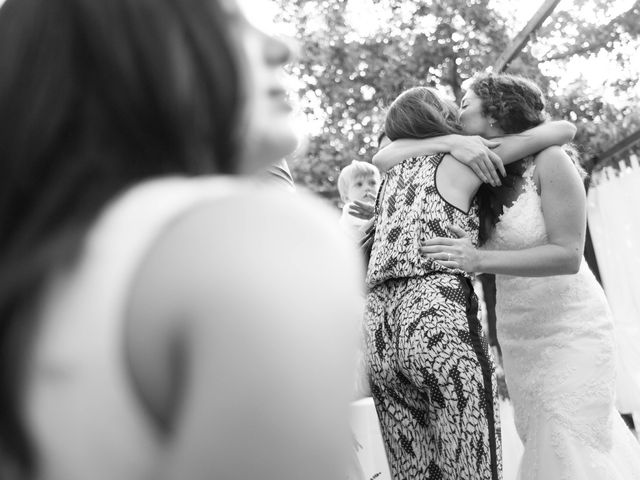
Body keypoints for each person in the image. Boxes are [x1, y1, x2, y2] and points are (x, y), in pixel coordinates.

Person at [0, 1, 363, 479]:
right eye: (227, 23)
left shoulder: (37, 277)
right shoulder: (253, 243)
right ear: (123, 57)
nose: (282, 47)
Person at [419, 73, 640, 479]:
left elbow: (567, 254)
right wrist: (451, 141)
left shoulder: (551, 160)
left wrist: (479, 259)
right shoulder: (483, 173)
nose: (459, 112)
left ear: (496, 113)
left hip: (572, 328)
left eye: (466, 104)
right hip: (520, 335)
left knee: (569, 438)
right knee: (544, 442)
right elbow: (389, 154)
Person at [363, 85, 576, 480]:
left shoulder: (389, 174)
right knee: (468, 461)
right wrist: (460, 142)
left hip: (377, 324)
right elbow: (560, 132)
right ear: (438, 120)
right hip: (432, 313)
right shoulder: (465, 160)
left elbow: (382, 153)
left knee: (412, 468)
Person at [337, 160, 381, 238]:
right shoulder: (351, 208)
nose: (367, 188)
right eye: (359, 184)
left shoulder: (380, 207)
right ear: (346, 197)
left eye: (372, 183)